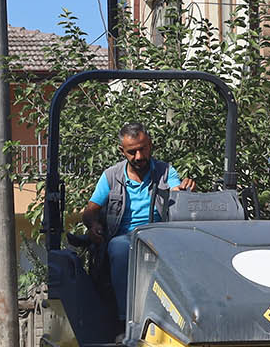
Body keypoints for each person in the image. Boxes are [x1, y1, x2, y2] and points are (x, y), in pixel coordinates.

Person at [79, 122, 193, 311]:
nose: (139, 156)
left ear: (150, 145)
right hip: (125, 239)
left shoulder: (166, 172)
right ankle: (128, 319)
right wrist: (93, 225)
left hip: (160, 236)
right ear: (122, 151)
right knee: (119, 248)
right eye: (132, 152)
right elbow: (90, 211)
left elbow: (175, 190)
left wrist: (182, 191)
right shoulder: (110, 176)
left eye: (143, 149)